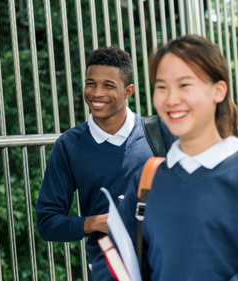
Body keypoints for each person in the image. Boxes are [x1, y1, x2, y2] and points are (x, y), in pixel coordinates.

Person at [103, 35, 238, 281]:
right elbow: (116, 262)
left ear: (218, 91)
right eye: (162, 87)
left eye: (185, 85)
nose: (171, 99)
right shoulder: (147, 179)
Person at [36, 46, 173, 275]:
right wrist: (97, 223)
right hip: (108, 269)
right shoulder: (69, 145)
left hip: (165, 264)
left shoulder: (162, 132)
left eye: (108, 85)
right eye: (91, 83)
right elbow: (48, 223)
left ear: (128, 91)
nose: (96, 93)